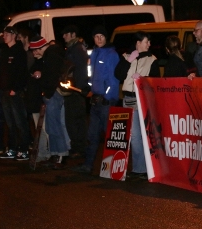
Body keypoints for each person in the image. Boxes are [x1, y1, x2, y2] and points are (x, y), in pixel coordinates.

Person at [73, 26, 120, 174]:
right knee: (92, 135)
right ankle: (88, 165)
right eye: (96, 36)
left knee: (110, 136)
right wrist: (89, 87)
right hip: (95, 100)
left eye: (101, 36)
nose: (99, 39)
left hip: (106, 102)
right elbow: (92, 75)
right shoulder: (94, 53)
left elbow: (113, 79)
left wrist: (107, 97)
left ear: (106, 38)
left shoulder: (111, 54)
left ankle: (114, 167)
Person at [114, 31, 160, 180]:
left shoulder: (152, 59)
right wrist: (127, 61)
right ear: (138, 43)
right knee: (133, 136)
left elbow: (155, 81)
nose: (149, 44)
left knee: (140, 135)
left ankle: (142, 168)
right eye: (146, 41)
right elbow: (118, 75)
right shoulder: (127, 57)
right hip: (128, 99)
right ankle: (140, 168)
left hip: (142, 99)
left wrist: (143, 80)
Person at [30, 37, 70, 169]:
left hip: (52, 95)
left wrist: (47, 93)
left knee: (54, 125)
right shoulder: (52, 54)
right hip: (53, 94)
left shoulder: (51, 56)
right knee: (53, 125)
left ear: (39, 47)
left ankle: (59, 155)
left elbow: (51, 77)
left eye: (34, 50)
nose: (34, 54)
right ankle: (57, 154)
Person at [0, 27, 32, 160]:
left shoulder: (19, 52)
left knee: (20, 121)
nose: (4, 36)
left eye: (7, 34)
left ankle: (24, 149)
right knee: (10, 122)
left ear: (14, 35)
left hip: (15, 93)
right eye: (4, 33)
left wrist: (16, 89)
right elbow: (2, 72)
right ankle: (12, 148)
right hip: (4, 91)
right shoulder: (4, 51)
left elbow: (22, 73)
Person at [61, 25, 89, 157]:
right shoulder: (73, 48)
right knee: (73, 119)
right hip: (72, 88)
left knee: (76, 120)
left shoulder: (77, 49)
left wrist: (80, 88)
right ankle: (77, 147)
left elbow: (81, 71)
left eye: (66, 34)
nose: (63, 36)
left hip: (76, 90)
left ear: (73, 34)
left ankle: (79, 148)